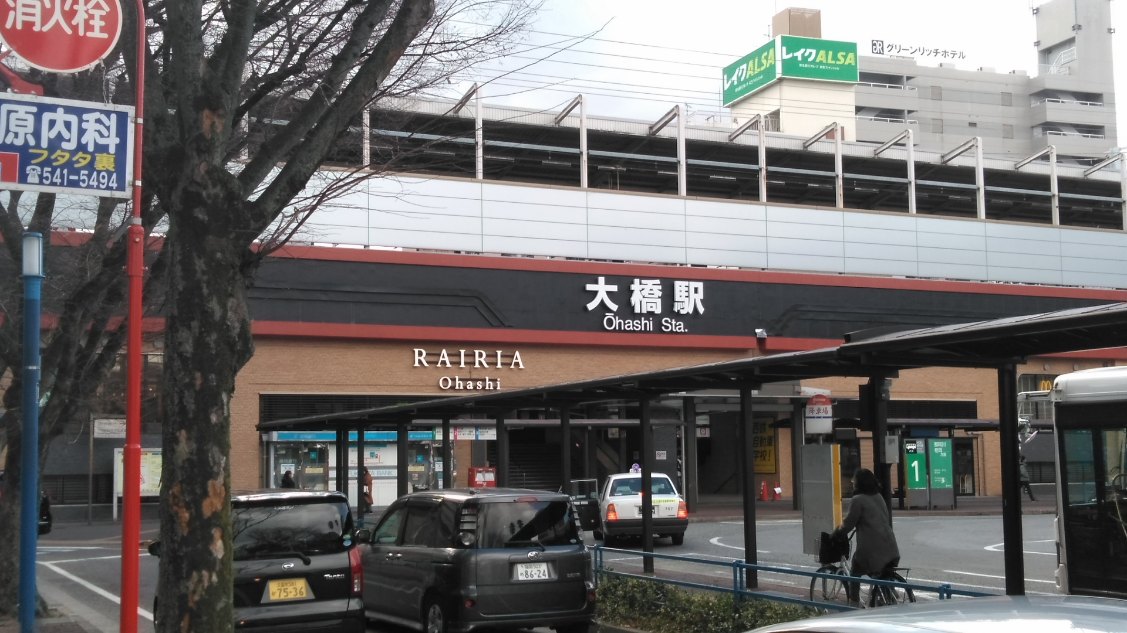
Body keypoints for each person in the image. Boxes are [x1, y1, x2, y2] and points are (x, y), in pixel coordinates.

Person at [835, 468, 900, 607]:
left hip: (872, 550)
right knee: (879, 572)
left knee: (855, 569)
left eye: (854, 481)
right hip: (891, 548)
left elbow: (848, 524)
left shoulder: (858, 500)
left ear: (859, 483)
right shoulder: (879, 496)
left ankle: (854, 602)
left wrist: (837, 533)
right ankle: (890, 591)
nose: (853, 483)